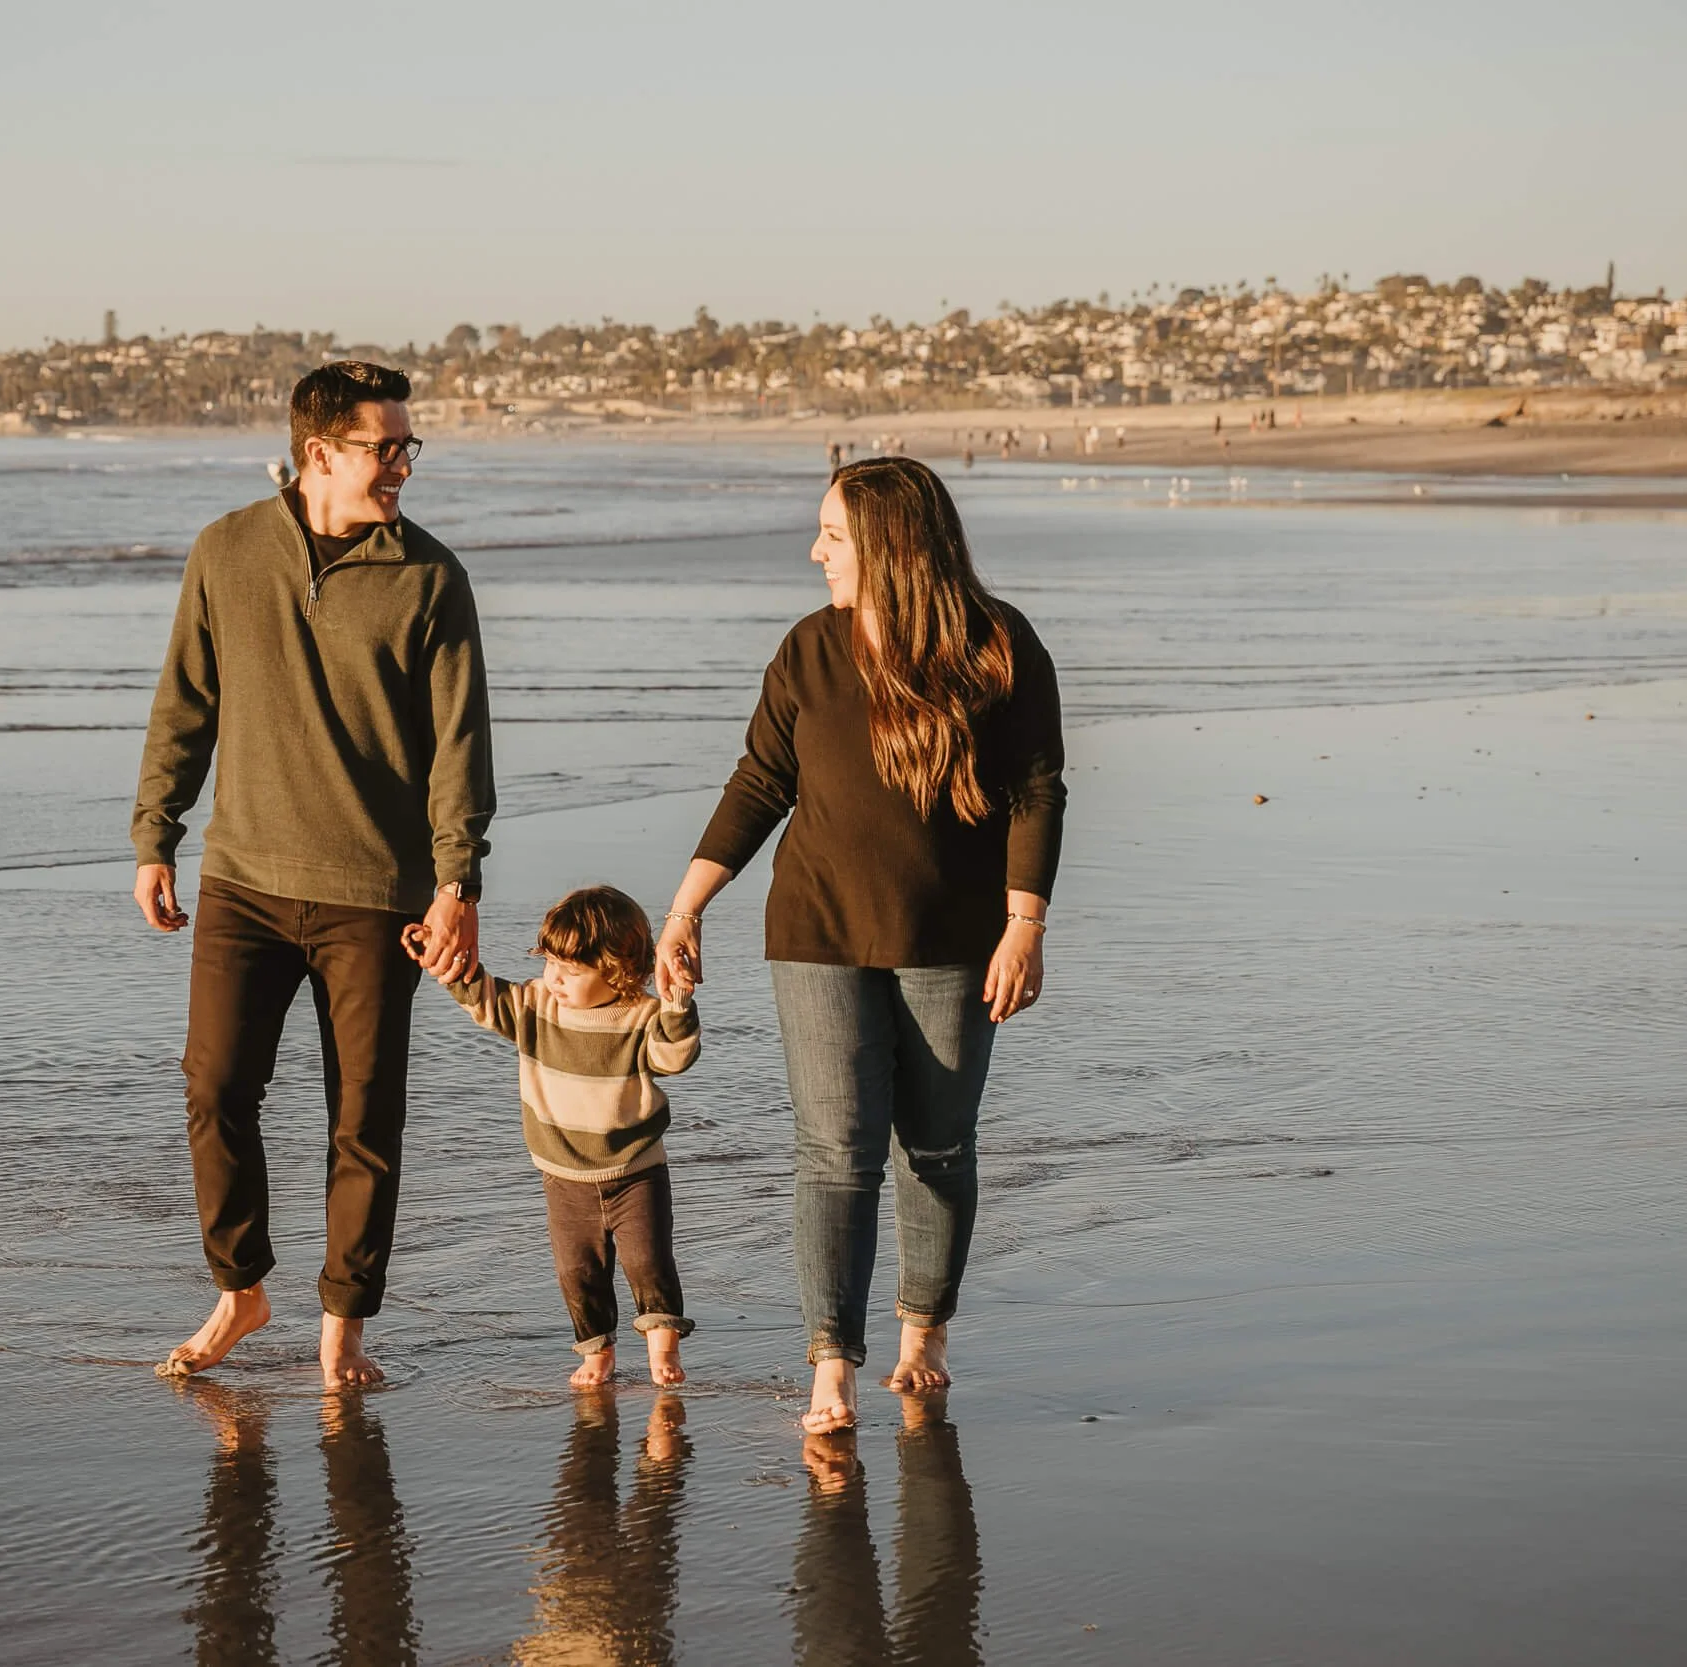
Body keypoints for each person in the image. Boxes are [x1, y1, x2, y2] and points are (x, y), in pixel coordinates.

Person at [655, 457, 1065, 1434]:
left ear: (888, 545)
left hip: (958, 938)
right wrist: (685, 906)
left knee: (935, 1143)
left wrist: (1024, 927)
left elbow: (1034, 791)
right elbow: (762, 782)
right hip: (818, 926)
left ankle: (922, 1328)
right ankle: (831, 1361)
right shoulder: (809, 649)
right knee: (835, 1150)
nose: (814, 552)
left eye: (831, 537)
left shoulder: (1000, 645)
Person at [132, 359, 495, 1389]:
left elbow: (459, 747)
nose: (403, 468)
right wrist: (156, 832)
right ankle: (240, 1284)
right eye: (387, 449)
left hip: (378, 892)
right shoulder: (227, 551)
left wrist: (456, 882)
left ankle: (344, 1327)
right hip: (241, 878)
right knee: (213, 1086)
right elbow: (185, 703)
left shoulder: (431, 576)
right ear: (318, 454)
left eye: (406, 448)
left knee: (365, 1116)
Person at [420, 885, 703, 1388]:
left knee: (648, 1263)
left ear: (617, 971)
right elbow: (483, 997)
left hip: (636, 1171)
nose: (554, 979)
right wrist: (444, 959)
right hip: (564, 1177)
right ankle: (597, 1352)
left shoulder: (642, 1016)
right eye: (549, 963)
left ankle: (663, 1349)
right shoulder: (535, 1007)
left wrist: (678, 1000)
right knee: (578, 1272)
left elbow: (674, 1058)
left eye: (571, 972)